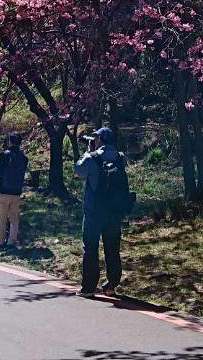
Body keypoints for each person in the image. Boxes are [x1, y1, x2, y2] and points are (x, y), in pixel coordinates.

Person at [74, 126, 132, 297]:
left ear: (99, 139)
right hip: (114, 211)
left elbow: (78, 171)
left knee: (90, 248)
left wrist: (87, 152)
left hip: (94, 212)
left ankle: (89, 287)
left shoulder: (91, 158)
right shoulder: (120, 158)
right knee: (112, 248)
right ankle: (111, 285)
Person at [0, 132, 29, 247]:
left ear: (10, 141)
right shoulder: (24, 158)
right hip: (16, 191)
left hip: (3, 190)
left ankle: (0, 242)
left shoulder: (3, 155)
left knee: (1, 219)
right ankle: (12, 241)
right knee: (14, 219)